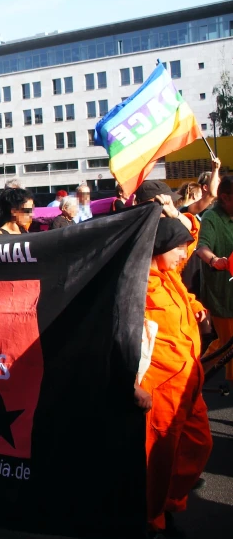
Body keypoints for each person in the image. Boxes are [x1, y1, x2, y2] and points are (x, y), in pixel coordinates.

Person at [134, 217, 212, 537]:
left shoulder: (171, 275)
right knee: (157, 462)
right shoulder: (138, 283)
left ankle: (168, 503)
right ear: (162, 248)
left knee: (199, 444)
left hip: (190, 384)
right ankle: (151, 522)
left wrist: (195, 305)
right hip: (161, 389)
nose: (185, 254)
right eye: (179, 249)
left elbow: (188, 238)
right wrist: (132, 385)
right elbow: (121, 335)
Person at [196, 175, 233, 386]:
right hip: (223, 295)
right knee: (227, 346)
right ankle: (194, 379)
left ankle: (194, 376)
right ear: (225, 197)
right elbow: (201, 248)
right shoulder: (211, 217)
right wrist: (215, 260)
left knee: (223, 345)